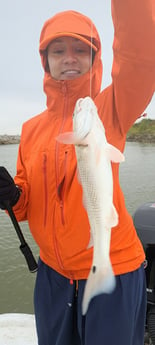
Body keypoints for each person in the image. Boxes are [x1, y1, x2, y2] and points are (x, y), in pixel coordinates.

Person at [0, 2, 155, 345]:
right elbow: (26, 206)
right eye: (58, 50)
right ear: (46, 61)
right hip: (52, 275)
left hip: (113, 266)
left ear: (95, 57)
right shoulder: (31, 129)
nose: (69, 58)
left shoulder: (111, 108)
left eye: (80, 49)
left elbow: (141, 53)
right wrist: (13, 196)